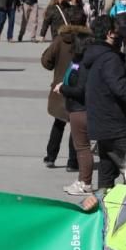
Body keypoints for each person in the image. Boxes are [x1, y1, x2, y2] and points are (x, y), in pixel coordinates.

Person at [84, 15, 126, 190]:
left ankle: (103, 209)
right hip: (117, 126)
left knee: (106, 173)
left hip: (102, 124)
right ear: (110, 34)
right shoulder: (110, 58)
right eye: (117, 32)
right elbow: (120, 88)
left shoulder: (95, 55)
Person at [40, 22, 86, 172]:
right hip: (79, 90)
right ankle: (72, 162)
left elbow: (47, 62)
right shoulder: (86, 40)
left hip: (60, 89)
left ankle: (51, 157)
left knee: (58, 123)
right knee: (76, 126)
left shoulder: (60, 40)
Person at [55, 29, 96, 195]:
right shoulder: (78, 61)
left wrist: (63, 88)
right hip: (75, 108)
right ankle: (82, 180)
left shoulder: (85, 64)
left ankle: (85, 182)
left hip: (80, 109)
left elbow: (80, 90)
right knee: (81, 147)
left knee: (83, 148)